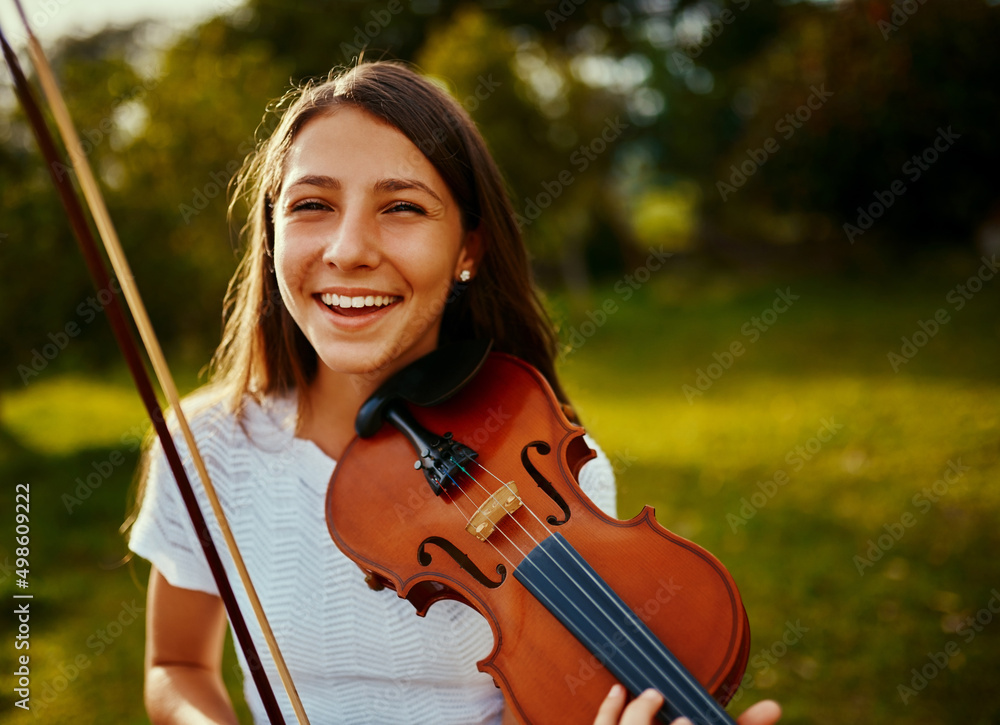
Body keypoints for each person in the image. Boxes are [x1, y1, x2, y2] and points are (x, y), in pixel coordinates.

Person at [128, 60, 781, 725]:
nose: (349, 248)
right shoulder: (207, 450)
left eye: (402, 207)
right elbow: (176, 665)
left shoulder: (559, 476)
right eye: (313, 204)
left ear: (469, 248)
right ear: (272, 235)